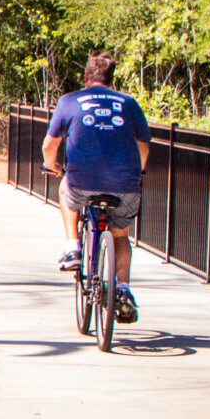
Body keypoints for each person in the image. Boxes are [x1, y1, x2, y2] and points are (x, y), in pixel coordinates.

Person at [43, 53, 151, 323]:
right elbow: (144, 145)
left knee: (65, 189)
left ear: (87, 77)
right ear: (111, 79)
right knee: (121, 236)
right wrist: (139, 170)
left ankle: (73, 249)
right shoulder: (129, 103)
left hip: (82, 181)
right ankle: (123, 290)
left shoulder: (69, 101)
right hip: (124, 184)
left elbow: (49, 147)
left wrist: (53, 166)